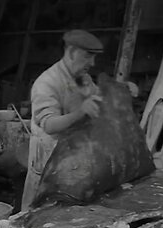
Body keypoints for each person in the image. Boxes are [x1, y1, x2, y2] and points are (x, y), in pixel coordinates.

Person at [20, 29, 136, 212]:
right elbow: (49, 125)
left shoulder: (83, 78)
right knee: (38, 209)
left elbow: (100, 98)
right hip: (48, 155)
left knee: (65, 210)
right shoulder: (47, 83)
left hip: (72, 154)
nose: (92, 62)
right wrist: (81, 112)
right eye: (88, 56)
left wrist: (121, 90)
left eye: (94, 57)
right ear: (72, 52)